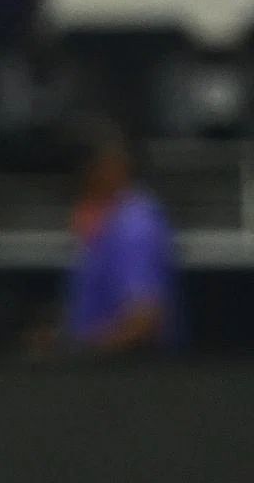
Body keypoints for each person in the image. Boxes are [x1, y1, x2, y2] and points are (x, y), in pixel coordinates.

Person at [54, 119, 181, 355]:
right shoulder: (107, 218)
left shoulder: (133, 226)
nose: (86, 175)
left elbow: (144, 320)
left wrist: (80, 352)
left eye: (93, 166)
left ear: (114, 166)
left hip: (129, 376)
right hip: (98, 371)